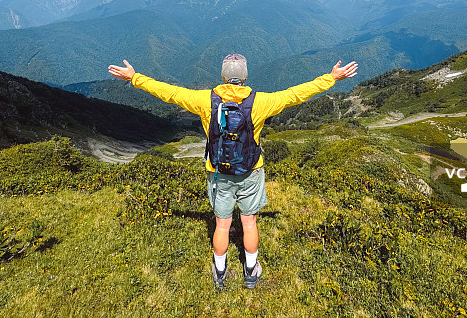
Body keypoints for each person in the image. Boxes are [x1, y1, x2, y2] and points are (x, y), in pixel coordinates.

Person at [108, 54, 358, 290]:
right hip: (251, 171)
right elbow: (296, 94)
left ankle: (220, 273)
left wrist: (134, 78)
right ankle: (251, 272)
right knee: (249, 223)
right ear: (245, 77)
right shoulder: (261, 102)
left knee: (222, 225)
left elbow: (170, 93)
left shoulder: (205, 100)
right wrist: (332, 78)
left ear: (223, 76)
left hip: (218, 173)